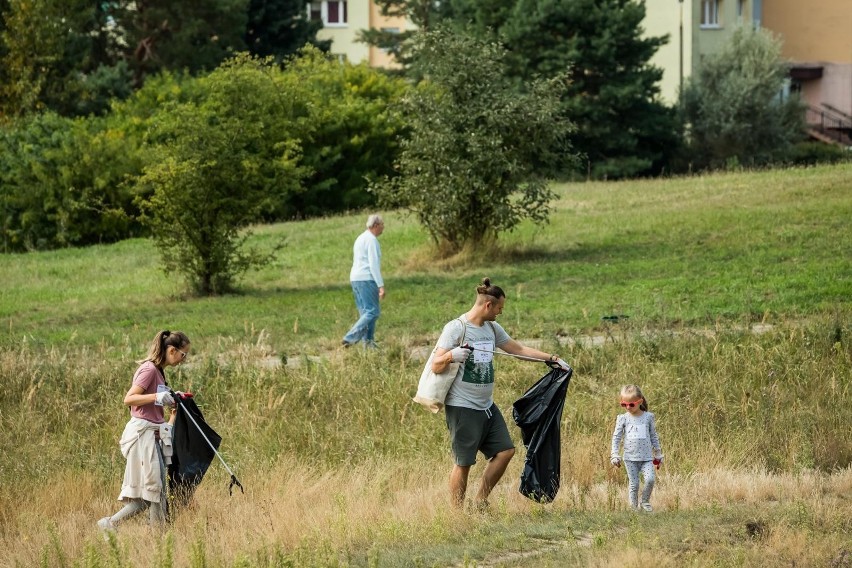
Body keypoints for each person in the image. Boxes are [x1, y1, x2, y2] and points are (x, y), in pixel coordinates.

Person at [432, 277, 570, 510]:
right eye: (499, 308)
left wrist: (552, 359)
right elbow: (436, 365)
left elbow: (517, 350)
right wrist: (451, 356)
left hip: (486, 406)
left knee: (506, 451)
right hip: (463, 406)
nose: (500, 313)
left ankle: (479, 502)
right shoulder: (457, 328)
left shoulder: (492, 329)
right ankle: (456, 514)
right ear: (488, 306)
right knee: (464, 463)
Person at [97, 330, 191, 532]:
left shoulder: (159, 373)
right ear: (172, 350)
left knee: (154, 493)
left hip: (152, 435)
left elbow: (155, 411)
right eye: (183, 354)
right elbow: (129, 399)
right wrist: (156, 398)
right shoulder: (148, 370)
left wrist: (173, 401)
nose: (184, 359)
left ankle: (116, 525)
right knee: (154, 491)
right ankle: (124, 528)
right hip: (141, 436)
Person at [610, 384, 664, 512]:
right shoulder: (623, 419)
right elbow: (616, 437)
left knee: (650, 480)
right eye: (624, 405)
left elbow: (653, 436)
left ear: (640, 402)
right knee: (634, 485)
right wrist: (614, 454)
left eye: (631, 405)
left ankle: (645, 502)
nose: (628, 408)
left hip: (646, 458)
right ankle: (633, 510)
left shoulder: (648, 417)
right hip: (630, 458)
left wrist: (658, 453)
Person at [342, 214, 385, 349]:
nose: (383, 228)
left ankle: (369, 344)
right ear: (376, 225)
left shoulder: (360, 238)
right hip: (367, 278)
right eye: (382, 225)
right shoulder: (371, 240)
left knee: (365, 312)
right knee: (372, 311)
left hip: (355, 278)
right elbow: (373, 264)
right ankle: (350, 337)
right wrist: (380, 285)